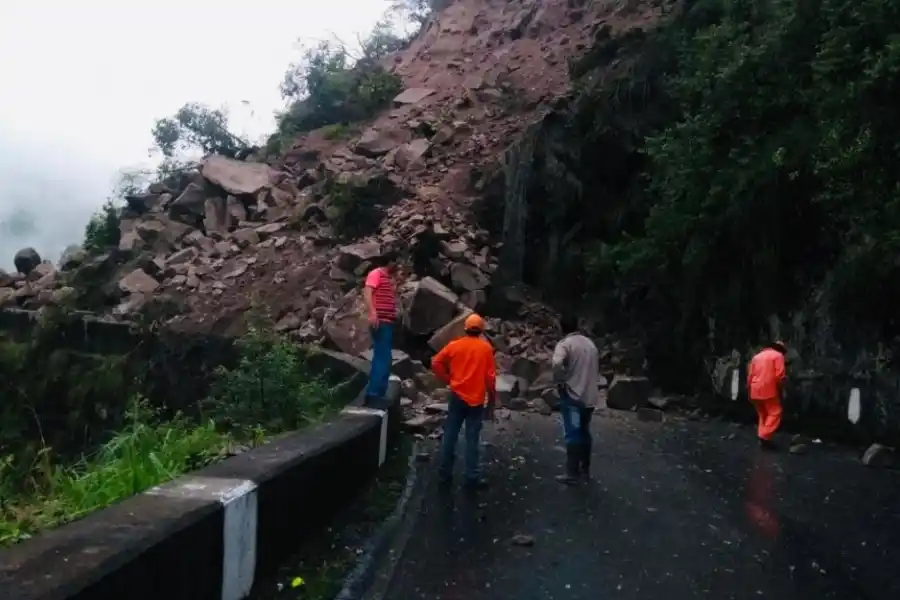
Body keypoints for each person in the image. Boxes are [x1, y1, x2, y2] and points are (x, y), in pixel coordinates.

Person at [431, 313, 497, 490]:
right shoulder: (486, 349)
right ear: (481, 330)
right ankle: (471, 477)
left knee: (450, 434)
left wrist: (448, 379)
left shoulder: (455, 345)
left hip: (457, 396)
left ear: (465, 328)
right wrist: (492, 401)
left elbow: (436, 362)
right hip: (476, 400)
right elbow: (490, 378)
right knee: (472, 439)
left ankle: (444, 474)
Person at [552, 314, 600, 484]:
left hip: (572, 396)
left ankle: (572, 473)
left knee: (572, 433)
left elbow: (557, 364)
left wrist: (560, 382)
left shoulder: (565, 344)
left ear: (561, 327)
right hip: (590, 396)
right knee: (585, 432)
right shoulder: (590, 344)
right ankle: (585, 470)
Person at [363, 253, 397, 407]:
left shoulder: (387, 278)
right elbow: (368, 292)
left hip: (387, 321)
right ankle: (373, 395)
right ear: (390, 262)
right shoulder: (375, 274)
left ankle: (380, 394)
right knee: (382, 358)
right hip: (380, 321)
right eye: (396, 262)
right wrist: (372, 313)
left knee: (386, 358)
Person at [747, 341, 787, 450]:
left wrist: (749, 389)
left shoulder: (756, 357)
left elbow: (750, 375)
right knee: (775, 412)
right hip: (768, 388)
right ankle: (764, 436)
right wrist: (781, 389)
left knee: (762, 414)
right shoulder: (778, 356)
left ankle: (763, 437)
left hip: (754, 389)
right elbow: (780, 376)